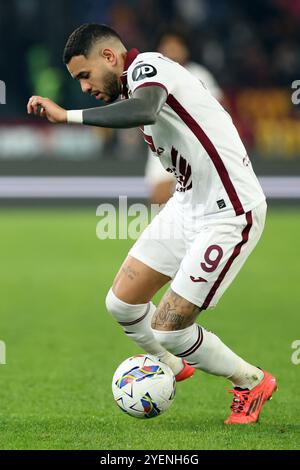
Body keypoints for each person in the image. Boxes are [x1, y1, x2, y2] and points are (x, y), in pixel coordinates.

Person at [27, 24, 277, 425]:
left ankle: (251, 381)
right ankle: (174, 367)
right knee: (121, 304)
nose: (84, 87)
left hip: (229, 213)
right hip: (186, 204)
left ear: (109, 57)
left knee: (169, 331)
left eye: (85, 75)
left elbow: (144, 110)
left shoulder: (147, 67)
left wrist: (68, 116)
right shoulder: (131, 86)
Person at [145, 29, 223, 204]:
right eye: (167, 46)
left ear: (185, 50)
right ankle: (171, 231)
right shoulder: (149, 76)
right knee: (159, 198)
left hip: (196, 146)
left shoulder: (200, 75)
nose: (171, 51)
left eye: (176, 46)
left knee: (201, 201)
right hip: (164, 144)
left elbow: (220, 111)